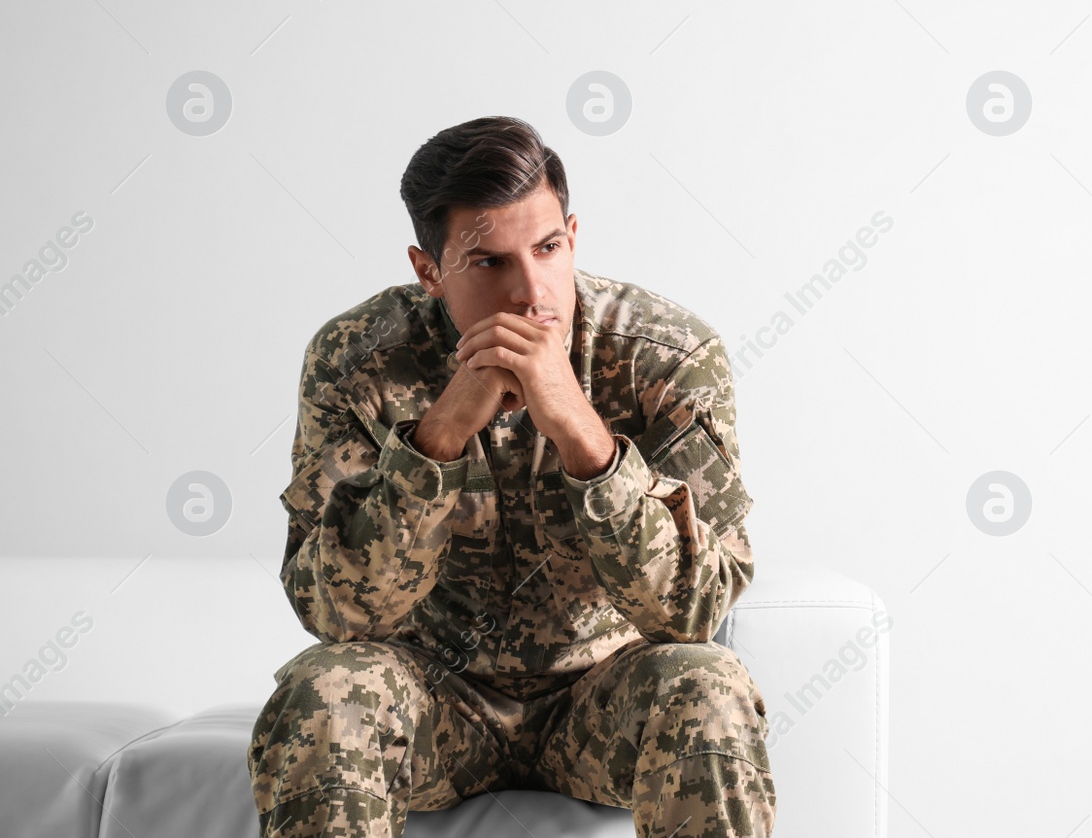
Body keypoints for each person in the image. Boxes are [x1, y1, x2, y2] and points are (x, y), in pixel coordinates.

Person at [246, 116, 775, 838]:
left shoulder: (668, 356)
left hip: (603, 691)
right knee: (324, 689)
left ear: (574, 234)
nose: (533, 293)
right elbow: (337, 615)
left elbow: (695, 610)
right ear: (428, 270)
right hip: (433, 695)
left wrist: (585, 437)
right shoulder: (358, 360)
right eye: (489, 262)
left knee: (709, 686)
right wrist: (437, 438)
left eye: (548, 247)